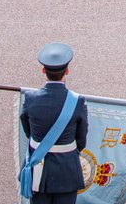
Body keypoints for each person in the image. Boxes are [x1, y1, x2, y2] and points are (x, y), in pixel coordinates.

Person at [19, 43, 89, 204]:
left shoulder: (30, 98)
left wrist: (41, 145)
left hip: (38, 167)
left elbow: (27, 130)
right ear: (67, 71)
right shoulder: (77, 101)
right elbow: (81, 137)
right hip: (67, 168)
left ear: (43, 71)